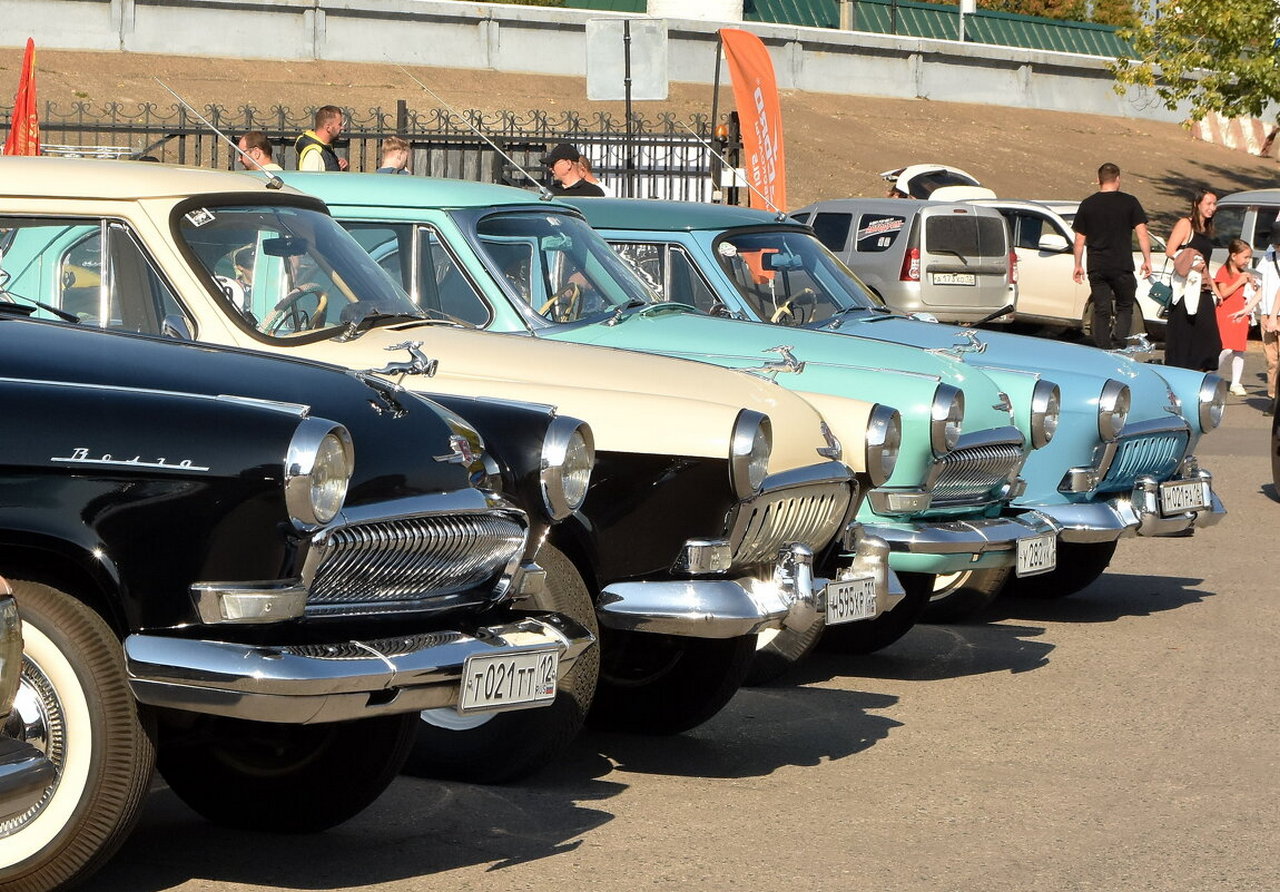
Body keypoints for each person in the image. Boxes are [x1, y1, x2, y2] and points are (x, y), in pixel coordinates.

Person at [1071, 162, 1153, 349]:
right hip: (1121, 265)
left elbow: (1079, 239)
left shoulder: (1088, 204)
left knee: (1101, 309)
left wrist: (1077, 265)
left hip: (1097, 265)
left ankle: (1102, 347)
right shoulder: (1130, 202)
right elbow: (1142, 234)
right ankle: (1119, 343)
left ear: (1098, 180)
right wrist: (1147, 260)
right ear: (1118, 179)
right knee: (1125, 306)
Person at [1164, 189, 1224, 371]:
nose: (1212, 208)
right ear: (1197, 204)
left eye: (1214, 204)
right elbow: (1170, 250)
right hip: (1186, 288)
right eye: (1208, 203)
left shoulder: (1206, 230)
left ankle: (1198, 371)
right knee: (1184, 335)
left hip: (1203, 288)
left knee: (1210, 340)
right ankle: (1180, 371)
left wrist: (1216, 290)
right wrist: (1190, 264)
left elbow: (1205, 265)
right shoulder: (1185, 224)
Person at [1233, 227, 1280, 408]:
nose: (1276, 245)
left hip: (1275, 314)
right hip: (1268, 314)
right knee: (1271, 360)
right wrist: (1247, 308)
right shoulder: (1269, 257)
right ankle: (1273, 398)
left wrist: (1274, 316)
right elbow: (1264, 287)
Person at [1213, 238, 1253, 395]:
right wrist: (1239, 282)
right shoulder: (1223, 271)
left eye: (1249, 257)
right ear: (1234, 256)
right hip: (1226, 313)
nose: (1247, 261)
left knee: (1239, 349)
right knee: (1226, 348)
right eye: (1245, 257)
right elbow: (1223, 292)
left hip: (1241, 315)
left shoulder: (1244, 274)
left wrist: (1251, 283)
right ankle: (1213, 373)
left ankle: (1236, 383)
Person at [294, 106, 348, 171]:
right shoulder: (313, 154)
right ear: (328, 128)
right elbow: (310, 177)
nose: (342, 128)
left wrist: (338, 167)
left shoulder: (323, 149)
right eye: (340, 124)